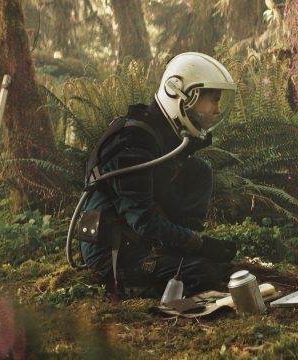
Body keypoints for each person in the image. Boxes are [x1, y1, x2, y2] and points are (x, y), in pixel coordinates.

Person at [79, 52, 239, 298]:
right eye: (213, 100)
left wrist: (189, 244)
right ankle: (130, 285)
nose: (217, 110)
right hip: (114, 250)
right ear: (183, 95)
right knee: (203, 274)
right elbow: (143, 220)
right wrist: (198, 244)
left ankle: (174, 254)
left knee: (199, 170)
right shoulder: (134, 140)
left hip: (141, 239)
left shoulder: (162, 133)